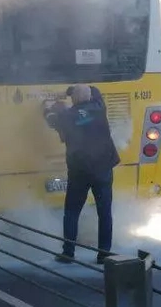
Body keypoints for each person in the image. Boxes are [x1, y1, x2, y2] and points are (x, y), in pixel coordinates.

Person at [43, 84, 120, 263]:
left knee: (71, 212)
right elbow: (95, 90)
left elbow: (48, 117)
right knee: (105, 212)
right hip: (102, 169)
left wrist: (49, 105)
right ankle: (104, 254)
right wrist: (71, 89)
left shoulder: (65, 117)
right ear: (89, 97)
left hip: (79, 171)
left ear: (74, 100)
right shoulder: (99, 108)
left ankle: (68, 252)